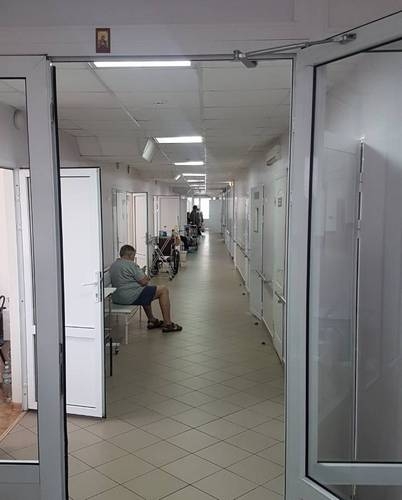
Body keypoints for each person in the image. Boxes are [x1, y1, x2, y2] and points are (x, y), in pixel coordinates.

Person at [110, 244, 182, 333]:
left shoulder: (114, 265)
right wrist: (144, 275)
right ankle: (168, 324)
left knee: (146, 290)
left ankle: (152, 320)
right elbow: (144, 281)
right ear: (130, 255)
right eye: (133, 256)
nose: (133, 258)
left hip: (117, 298)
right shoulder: (130, 264)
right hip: (129, 297)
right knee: (163, 290)